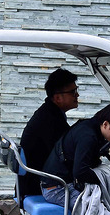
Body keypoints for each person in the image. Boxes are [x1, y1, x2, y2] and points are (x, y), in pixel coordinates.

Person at [19, 68, 79, 197]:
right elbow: (66, 155)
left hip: (34, 182)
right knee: (91, 202)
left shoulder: (50, 113)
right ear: (57, 98)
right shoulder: (50, 120)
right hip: (39, 186)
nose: (77, 95)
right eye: (73, 92)